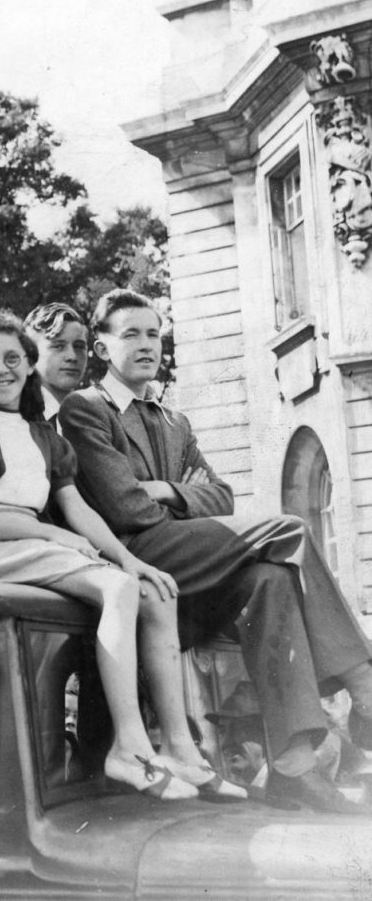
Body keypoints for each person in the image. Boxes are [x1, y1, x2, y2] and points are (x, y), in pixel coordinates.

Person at [59, 288, 372, 814]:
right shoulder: (86, 409)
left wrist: (166, 491)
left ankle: (293, 765)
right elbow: (125, 508)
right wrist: (179, 496)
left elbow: (222, 496)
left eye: (154, 334)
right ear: (102, 347)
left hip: (183, 574)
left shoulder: (173, 421)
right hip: (132, 562)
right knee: (290, 530)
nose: (146, 344)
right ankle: (364, 684)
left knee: (270, 580)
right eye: (131, 334)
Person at [0, 312, 241, 801]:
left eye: (12, 359)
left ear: (28, 365)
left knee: (154, 591)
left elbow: (77, 508)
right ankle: (129, 747)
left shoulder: (44, 436)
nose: (1, 370)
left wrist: (130, 559)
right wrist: (53, 536)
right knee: (118, 589)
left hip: (35, 546)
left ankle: (181, 748)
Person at [24, 303, 90, 424]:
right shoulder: (18, 418)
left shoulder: (93, 417)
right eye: (58, 346)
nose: (72, 356)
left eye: (79, 346)